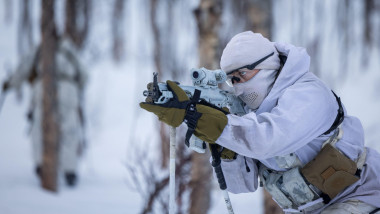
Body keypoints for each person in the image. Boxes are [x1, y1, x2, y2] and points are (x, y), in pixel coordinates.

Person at [140, 31, 380, 213]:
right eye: (232, 80)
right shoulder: (249, 115)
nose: (238, 87)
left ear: (267, 67)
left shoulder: (308, 93)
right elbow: (241, 185)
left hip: (362, 196)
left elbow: (269, 139)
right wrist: (223, 147)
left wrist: (217, 123)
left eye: (241, 75)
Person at [2, 37, 87, 187]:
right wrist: (75, 89)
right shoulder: (70, 50)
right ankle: (70, 171)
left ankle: (41, 166)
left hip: (43, 87)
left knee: (40, 127)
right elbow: (84, 75)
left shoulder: (39, 49)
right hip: (69, 89)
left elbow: (23, 69)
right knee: (69, 131)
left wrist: (9, 84)